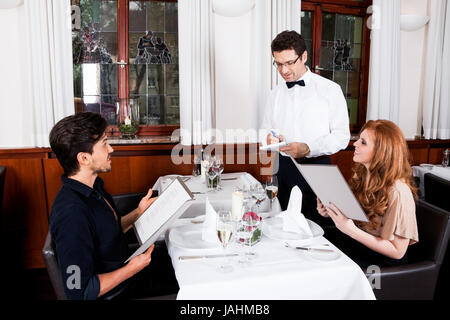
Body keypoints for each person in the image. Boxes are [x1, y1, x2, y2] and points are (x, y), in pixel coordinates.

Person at [49, 112, 178, 300]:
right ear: (84, 158)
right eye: (104, 144)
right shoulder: (71, 214)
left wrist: (139, 212)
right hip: (122, 290)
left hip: (130, 268)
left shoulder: (93, 187)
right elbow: (78, 292)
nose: (111, 149)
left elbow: (107, 233)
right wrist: (132, 268)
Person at [260, 30, 350, 223]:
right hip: (283, 170)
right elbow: (266, 130)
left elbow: (342, 136)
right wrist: (269, 139)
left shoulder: (330, 90)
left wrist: (309, 148)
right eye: (278, 64)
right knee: (283, 227)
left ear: (304, 56)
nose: (284, 71)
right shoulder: (275, 94)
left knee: (321, 232)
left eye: (290, 63)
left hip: (318, 169)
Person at [317, 120, 419, 269]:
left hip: (383, 265)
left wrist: (350, 230)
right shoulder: (363, 175)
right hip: (361, 247)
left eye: (363, 142)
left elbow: (398, 252)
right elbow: (356, 220)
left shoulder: (399, 192)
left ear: (381, 152)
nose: (355, 144)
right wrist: (330, 211)